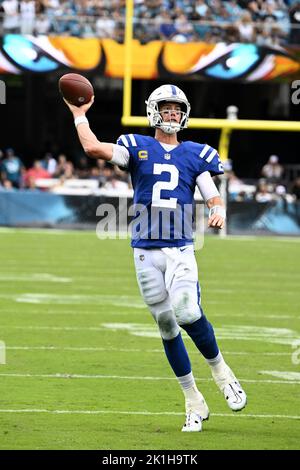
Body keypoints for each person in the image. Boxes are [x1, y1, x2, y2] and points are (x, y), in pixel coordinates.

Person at [62, 84, 247, 432]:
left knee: (188, 312)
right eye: (167, 107)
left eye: (178, 108)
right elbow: (91, 147)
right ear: (154, 111)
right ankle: (193, 400)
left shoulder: (195, 153)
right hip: (145, 250)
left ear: (185, 113)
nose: (173, 113)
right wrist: (79, 116)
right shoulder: (137, 146)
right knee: (166, 326)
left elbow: (211, 193)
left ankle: (222, 372)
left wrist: (217, 210)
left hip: (179, 246)